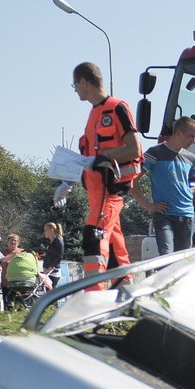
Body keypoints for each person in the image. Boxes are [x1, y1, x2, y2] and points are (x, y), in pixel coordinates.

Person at [53, 62, 143, 291]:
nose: (75, 90)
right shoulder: (93, 113)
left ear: (84, 81)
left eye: (75, 85)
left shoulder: (117, 108)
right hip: (95, 190)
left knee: (94, 235)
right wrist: (69, 181)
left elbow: (134, 149)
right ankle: (124, 290)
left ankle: (93, 295)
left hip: (110, 189)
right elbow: (89, 156)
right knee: (114, 241)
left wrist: (101, 159)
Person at [132, 117, 195, 255]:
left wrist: (190, 190)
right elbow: (133, 180)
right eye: (191, 136)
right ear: (179, 133)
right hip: (164, 215)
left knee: (183, 258)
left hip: (186, 215)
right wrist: (148, 206)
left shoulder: (190, 157)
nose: (194, 141)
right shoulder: (154, 153)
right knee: (166, 255)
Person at [0, 233, 24, 309]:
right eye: (11, 240)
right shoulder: (2, 252)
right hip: (6, 282)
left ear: (18, 242)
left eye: (15, 240)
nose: (13, 242)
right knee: (7, 303)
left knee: (19, 304)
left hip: (18, 281)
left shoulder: (22, 252)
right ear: (7, 242)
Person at [42, 222, 65, 288]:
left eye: (45, 230)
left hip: (53, 272)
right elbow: (52, 254)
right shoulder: (52, 241)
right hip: (48, 271)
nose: (44, 232)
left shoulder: (58, 240)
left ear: (51, 230)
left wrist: (50, 268)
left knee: (49, 293)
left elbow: (59, 257)